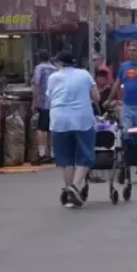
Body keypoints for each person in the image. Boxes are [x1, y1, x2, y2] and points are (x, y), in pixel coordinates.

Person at [47, 51, 99, 207]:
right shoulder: (85, 74)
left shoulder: (53, 77)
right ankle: (75, 187)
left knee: (65, 159)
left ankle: (70, 194)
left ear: (60, 63)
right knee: (85, 155)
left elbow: (51, 97)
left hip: (59, 120)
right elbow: (96, 97)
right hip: (82, 120)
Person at [107, 42, 137, 128]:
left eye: (134, 50)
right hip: (127, 106)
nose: (132, 52)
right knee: (126, 131)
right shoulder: (123, 66)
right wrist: (109, 99)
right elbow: (116, 84)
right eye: (130, 50)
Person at [30, 49, 57, 165]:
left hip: (43, 103)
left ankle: (42, 153)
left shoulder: (39, 68)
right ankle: (53, 153)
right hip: (55, 103)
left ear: (39, 58)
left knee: (40, 128)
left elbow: (36, 86)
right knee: (52, 128)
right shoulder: (55, 69)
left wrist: (34, 103)